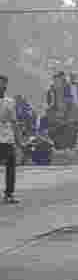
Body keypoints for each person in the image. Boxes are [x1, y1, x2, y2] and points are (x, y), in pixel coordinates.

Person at [0, 74, 21, 203]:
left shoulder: (9, 102)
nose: (2, 87)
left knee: (11, 165)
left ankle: (9, 193)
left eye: (4, 84)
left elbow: (14, 122)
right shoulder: (9, 102)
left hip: (6, 137)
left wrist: (18, 141)